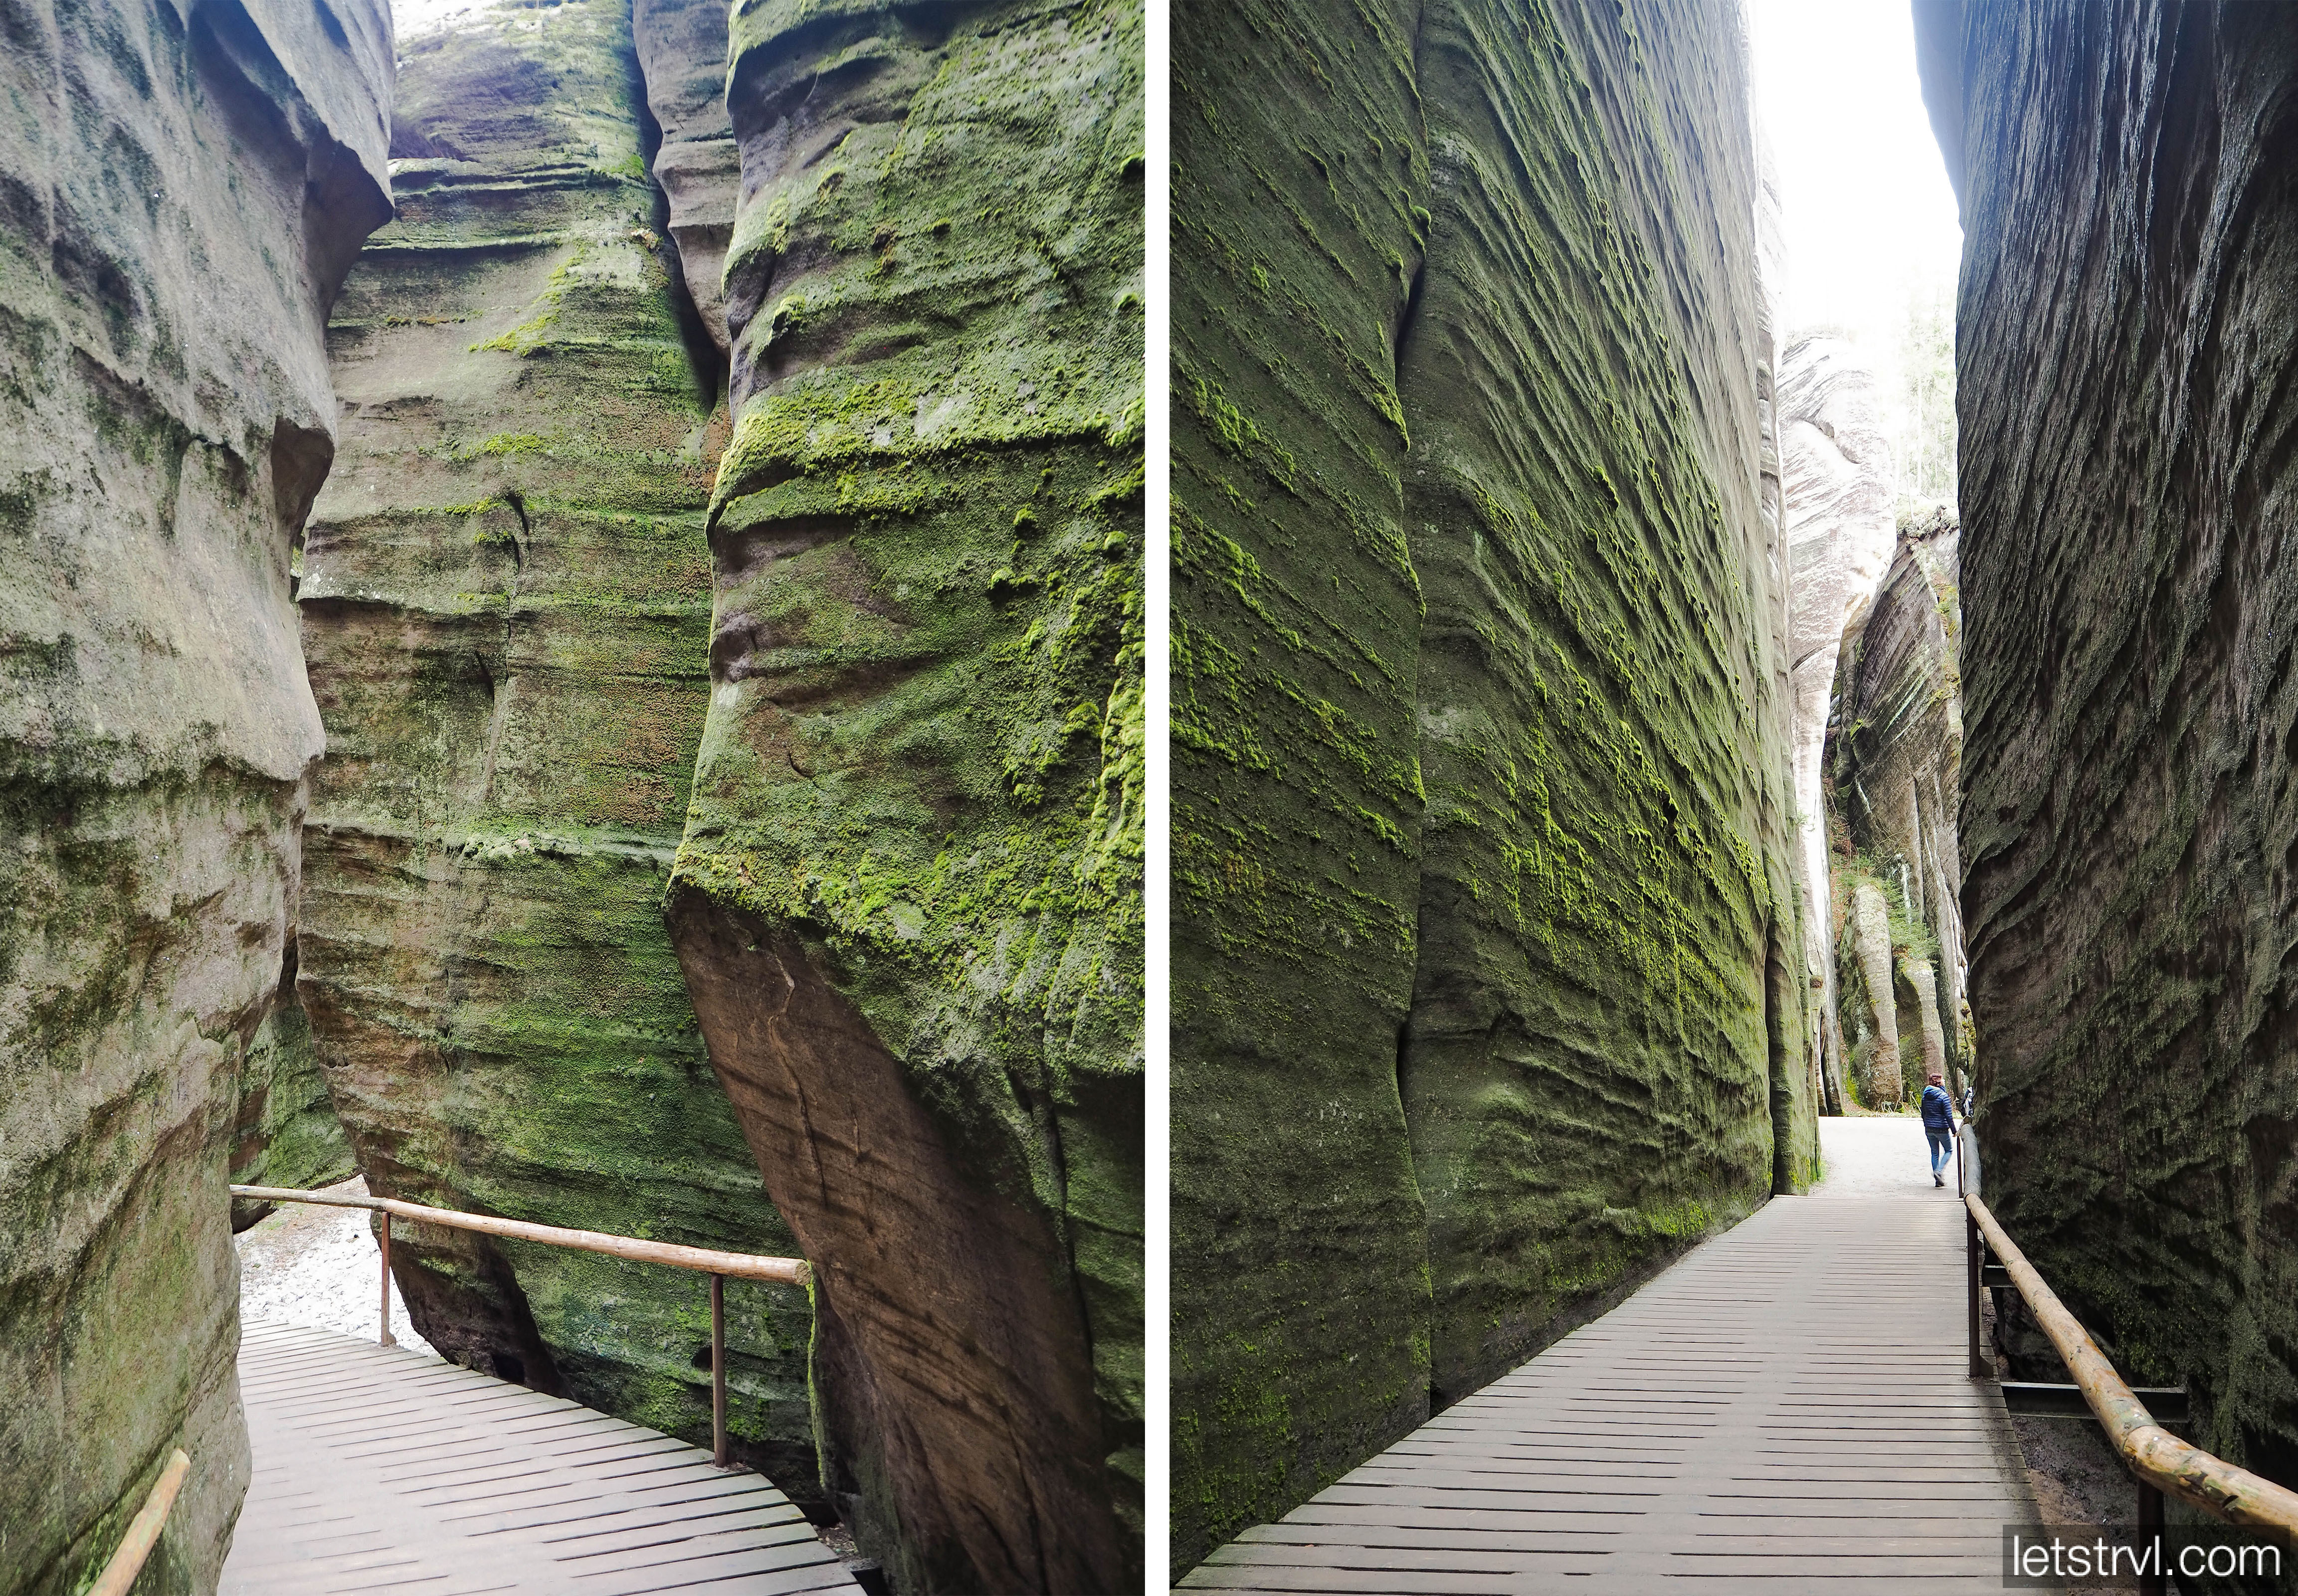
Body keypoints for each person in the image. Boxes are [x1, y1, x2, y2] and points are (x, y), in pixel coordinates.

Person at [1920, 1072, 1956, 1187]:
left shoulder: (1925, 1095)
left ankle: (1938, 1181)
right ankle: (1939, 1172)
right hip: (1941, 1129)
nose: (1944, 1081)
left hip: (1929, 1128)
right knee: (1949, 1150)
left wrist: (1927, 1123)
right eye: (1943, 1080)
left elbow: (1923, 1113)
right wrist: (1954, 1131)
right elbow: (1949, 1116)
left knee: (1935, 1153)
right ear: (1939, 1082)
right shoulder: (1943, 1096)